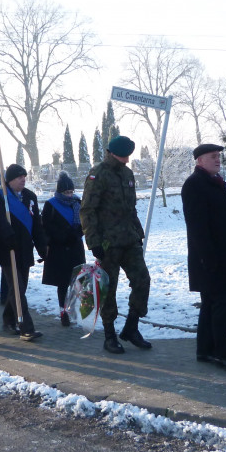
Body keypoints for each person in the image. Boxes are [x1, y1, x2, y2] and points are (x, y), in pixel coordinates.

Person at [181, 143, 226, 372]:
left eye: (218, 156)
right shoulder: (194, 185)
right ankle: (223, 354)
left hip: (222, 256)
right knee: (222, 304)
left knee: (211, 304)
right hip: (211, 260)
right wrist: (208, 259)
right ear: (199, 160)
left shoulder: (214, 182)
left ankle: (205, 350)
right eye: (213, 157)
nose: (218, 160)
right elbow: (197, 228)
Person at [80, 135, 152, 355]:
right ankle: (109, 335)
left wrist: (138, 233)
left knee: (142, 280)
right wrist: (93, 243)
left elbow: (131, 209)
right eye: (124, 156)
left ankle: (132, 327)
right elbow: (87, 210)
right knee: (108, 290)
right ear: (113, 153)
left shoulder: (128, 174)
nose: (127, 160)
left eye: (128, 155)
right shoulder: (97, 174)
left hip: (130, 240)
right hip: (108, 243)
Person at [0, 163, 47, 342]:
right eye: (18, 177)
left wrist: (42, 249)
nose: (23, 179)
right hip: (9, 250)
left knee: (19, 288)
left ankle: (8, 320)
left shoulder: (30, 197)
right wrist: (9, 237)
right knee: (17, 288)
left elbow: (37, 225)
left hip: (25, 249)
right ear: (10, 180)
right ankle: (26, 328)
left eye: (24, 176)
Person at [41, 171, 85, 327]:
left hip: (75, 249)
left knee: (77, 281)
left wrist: (78, 233)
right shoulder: (51, 205)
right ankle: (63, 312)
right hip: (59, 250)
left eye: (71, 191)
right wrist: (63, 236)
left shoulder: (77, 203)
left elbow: (84, 222)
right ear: (60, 192)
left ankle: (73, 309)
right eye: (66, 192)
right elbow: (46, 226)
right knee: (63, 283)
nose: (69, 195)